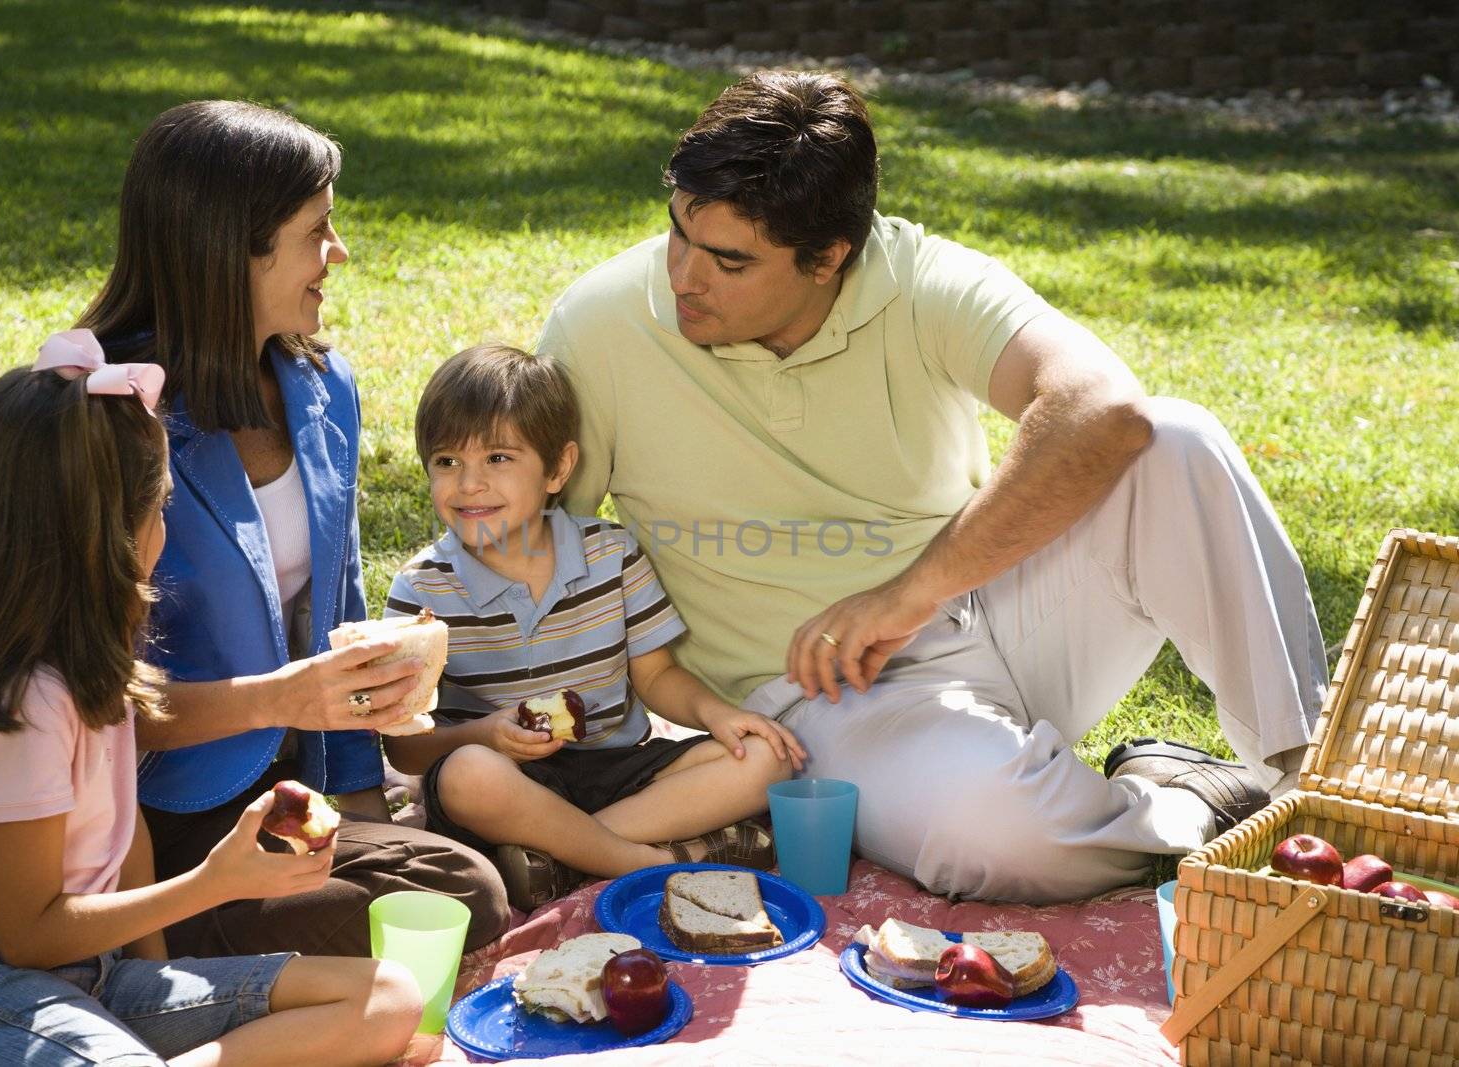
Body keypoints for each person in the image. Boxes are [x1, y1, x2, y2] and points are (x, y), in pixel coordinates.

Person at [535, 70, 1328, 903]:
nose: (685, 277)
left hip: (991, 610)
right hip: (824, 698)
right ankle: (1183, 803)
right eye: (678, 233)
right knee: (1004, 841)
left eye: (730, 260)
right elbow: (535, 545)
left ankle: (1308, 780)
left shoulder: (919, 277)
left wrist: (910, 593)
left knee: (1173, 438)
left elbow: (1101, 406)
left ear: (829, 257)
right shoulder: (600, 325)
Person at [0, 335, 421, 1066]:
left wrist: (156, 977)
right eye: (160, 508)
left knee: (388, 996)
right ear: (104, 538)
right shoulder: (22, 696)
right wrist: (213, 882)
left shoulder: (92, 659)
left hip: (86, 973)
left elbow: (120, 837)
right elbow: (26, 932)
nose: (165, 531)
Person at [78, 100, 508, 953]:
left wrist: (366, 817)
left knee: (460, 887)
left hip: (290, 791)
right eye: (318, 230)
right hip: (146, 821)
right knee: (453, 905)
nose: (337, 254)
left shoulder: (323, 387)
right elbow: (88, 698)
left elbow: (333, 613)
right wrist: (284, 697)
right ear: (231, 246)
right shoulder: (106, 417)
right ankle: (175, 958)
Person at [380, 344, 805, 909]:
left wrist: (719, 715)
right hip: (507, 783)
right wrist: (485, 734)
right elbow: (407, 752)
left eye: (499, 459)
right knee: (469, 777)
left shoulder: (610, 554)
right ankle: (650, 862)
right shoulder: (421, 591)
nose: (469, 484)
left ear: (558, 467)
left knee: (766, 759)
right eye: (447, 462)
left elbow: (656, 678)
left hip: (615, 768)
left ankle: (559, 857)